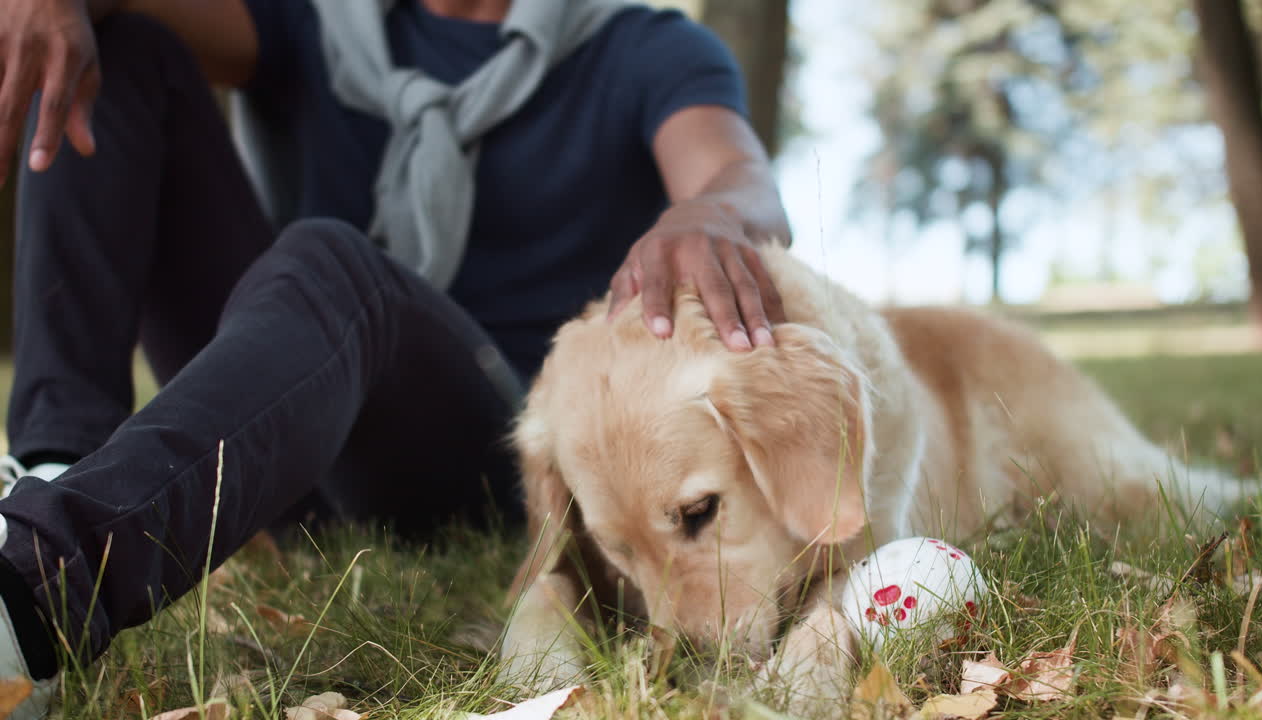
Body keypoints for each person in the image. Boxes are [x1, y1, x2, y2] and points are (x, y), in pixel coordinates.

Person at [0, 0, 791, 715]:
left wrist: (712, 213)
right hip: (272, 421)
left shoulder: (639, 47)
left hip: (482, 450)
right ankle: (49, 470)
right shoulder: (320, 22)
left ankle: (32, 598)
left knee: (333, 263)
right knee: (112, 41)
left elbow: (740, 175)